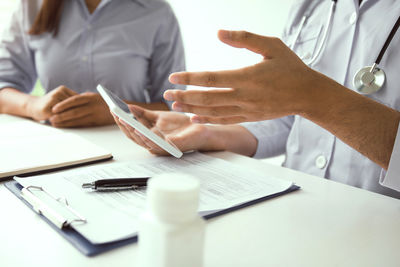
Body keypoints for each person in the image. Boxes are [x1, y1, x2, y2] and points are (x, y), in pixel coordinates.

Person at [114, 0, 400, 198]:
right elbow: (294, 121)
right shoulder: (314, 7)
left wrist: (316, 98)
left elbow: (307, 101)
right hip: (299, 208)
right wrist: (207, 132)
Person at [0, 0, 185, 127]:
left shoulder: (157, 13)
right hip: (55, 148)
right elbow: (3, 88)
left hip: (128, 153)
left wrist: (118, 112)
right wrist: (33, 105)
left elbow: (174, 109)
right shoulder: (32, 6)